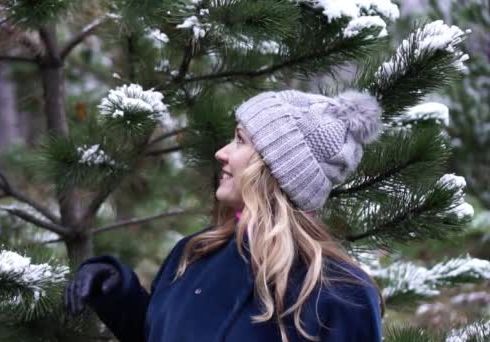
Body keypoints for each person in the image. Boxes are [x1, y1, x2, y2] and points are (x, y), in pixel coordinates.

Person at [64, 89, 385, 341]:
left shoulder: (339, 292)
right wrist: (118, 293)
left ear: (275, 169)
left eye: (240, 141)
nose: (222, 152)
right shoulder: (194, 253)